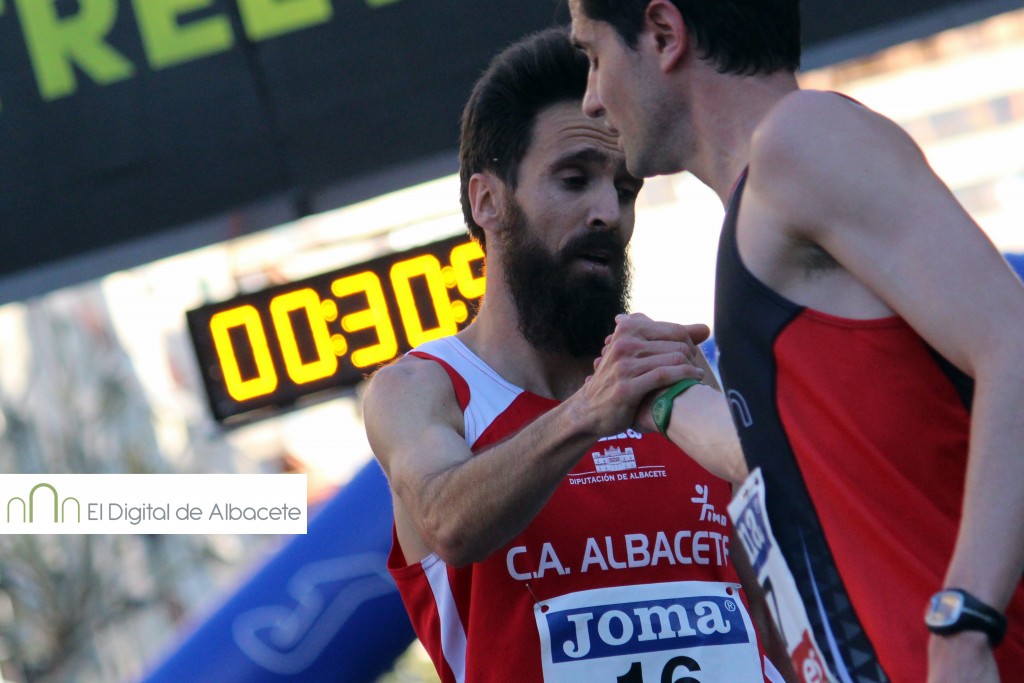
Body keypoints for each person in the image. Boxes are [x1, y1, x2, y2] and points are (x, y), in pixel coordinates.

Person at [568, 1, 1024, 682]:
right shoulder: (759, 219)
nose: (592, 99)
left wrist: (964, 620)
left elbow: (1015, 344)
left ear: (663, 35)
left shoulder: (801, 140)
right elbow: (791, 462)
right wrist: (667, 398)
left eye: (593, 56)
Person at [362, 27, 788, 683]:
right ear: (488, 200)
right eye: (573, 180)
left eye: (624, 189)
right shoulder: (424, 388)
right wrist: (590, 410)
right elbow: (445, 519)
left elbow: (775, 612)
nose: (606, 213)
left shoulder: (674, 379)